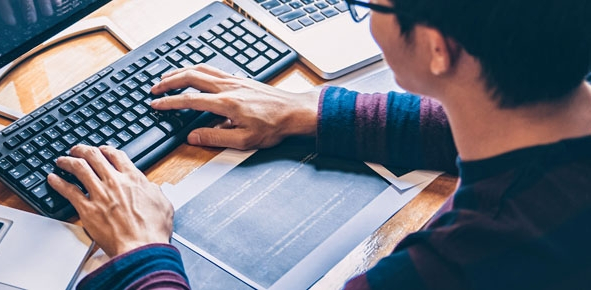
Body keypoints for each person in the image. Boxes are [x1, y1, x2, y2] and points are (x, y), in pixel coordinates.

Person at [46, 0, 591, 288]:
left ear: (437, 49)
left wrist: (140, 254)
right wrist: (315, 111)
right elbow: (502, 117)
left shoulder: (455, 268)